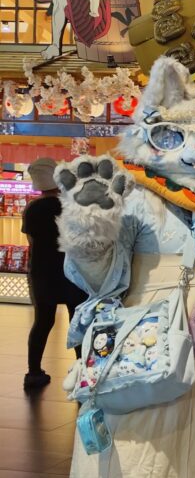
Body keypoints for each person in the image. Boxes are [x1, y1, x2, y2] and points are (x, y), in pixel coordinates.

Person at [22, 156, 87, 389]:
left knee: (42, 322)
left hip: (42, 273)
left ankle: (33, 372)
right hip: (72, 272)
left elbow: (31, 241)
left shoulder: (32, 209)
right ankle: (81, 371)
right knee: (77, 321)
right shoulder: (73, 206)